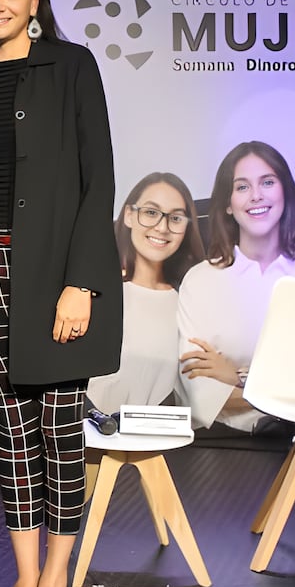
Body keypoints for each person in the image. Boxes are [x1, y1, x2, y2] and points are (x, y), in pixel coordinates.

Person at [0, 0, 123, 587]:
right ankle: (25, 575)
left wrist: (80, 281)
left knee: (57, 425)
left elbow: (98, 177)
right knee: (13, 428)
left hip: (54, 270)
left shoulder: (72, 67)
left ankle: (57, 575)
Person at [177, 141, 295, 434]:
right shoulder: (200, 281)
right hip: (222, 449)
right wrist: (290, 389)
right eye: (242, 187)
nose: (256, 196)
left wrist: (238, 379)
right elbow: (200, 399)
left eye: (267, 182)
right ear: (227, 203)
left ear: (285, 192)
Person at [87, 173, 204, 415]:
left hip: (153, 440)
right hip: (80, 433)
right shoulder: (91, 288)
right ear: (129, 215)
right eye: (151, 212)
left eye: (176, 218)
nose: (162, 227)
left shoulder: (189, 304)